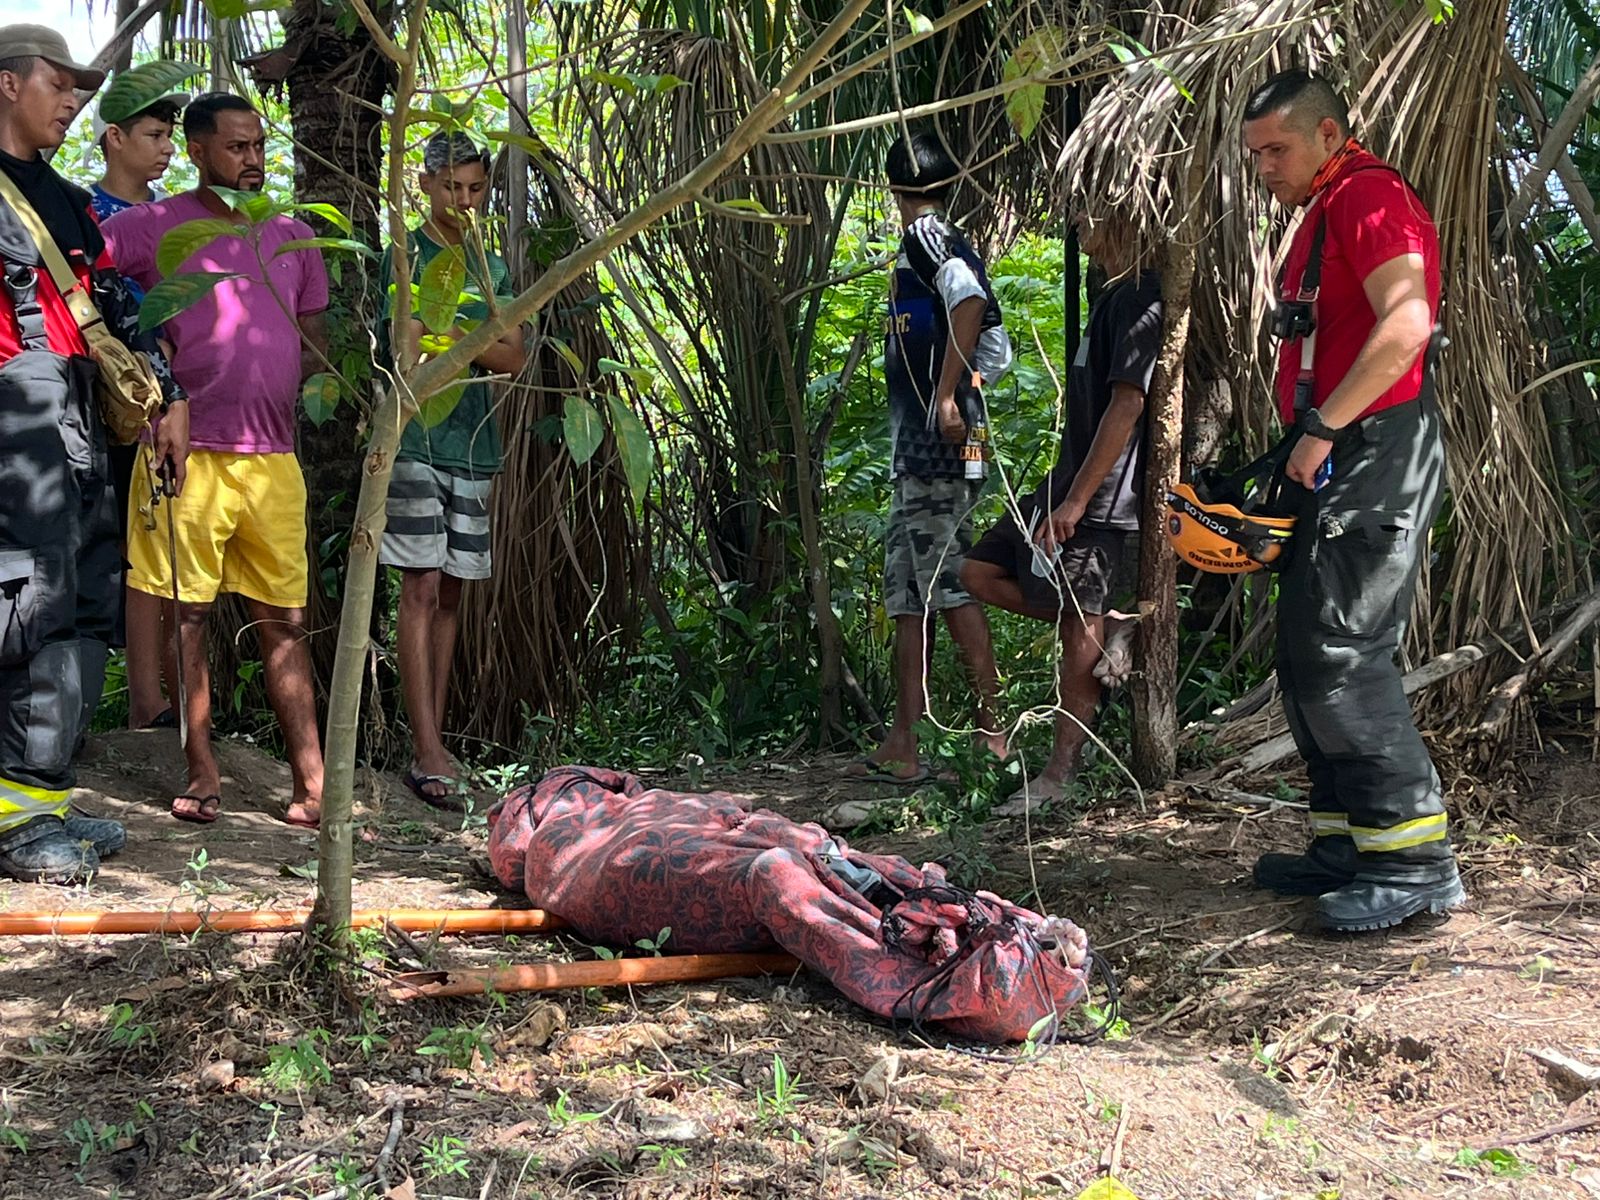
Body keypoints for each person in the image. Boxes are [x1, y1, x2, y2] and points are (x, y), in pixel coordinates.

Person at [1240, 69, 1462, 932]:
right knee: (1305, 650)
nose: (1265, 167)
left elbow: (1407, 325)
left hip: (1373, 447)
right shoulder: (1326, 208)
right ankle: (1347, 845)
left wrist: (1326, 426)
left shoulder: (1369, 197)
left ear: (1329, 134)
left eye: (1277, 149)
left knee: (1342, 649)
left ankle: (1414, 864)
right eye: (1256, 154)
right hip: (1334, 450)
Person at [103, 92, 329, 829]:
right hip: (185, 453)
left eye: (258, 144)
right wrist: (143, 358)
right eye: (235, 147)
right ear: (197, 152)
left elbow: (313, 338)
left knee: (285, 622)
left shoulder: (294, 237)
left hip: (274, 458)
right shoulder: (153, 224)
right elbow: (81, 277)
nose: (252, 159)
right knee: (187, 616)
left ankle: (312, 782)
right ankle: (201, 770)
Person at [0, 25, 189, 883]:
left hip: (77, 407)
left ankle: (40, 790)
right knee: (26, 600)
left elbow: (116, 304)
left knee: (85, 598)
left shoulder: (70, 202)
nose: (74, 99)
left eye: (81, 86)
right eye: (59, 82)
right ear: (9, 83)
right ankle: (15, 818)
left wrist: (169, 398)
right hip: (15, 414)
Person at [961, 212, 1161, 816]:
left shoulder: (1140, 297)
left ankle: (1061, 772)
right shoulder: (1111, 295)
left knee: (1078, 620)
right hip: (1067, 480)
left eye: (1087, 214)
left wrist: (1078, 500)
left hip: (1099, 494)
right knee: (976, 571)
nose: (1079, 226)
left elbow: (1128, 404)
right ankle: (1109, 626)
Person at [851, 130, 1013, 785]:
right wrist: (967, 385)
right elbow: (996, 350)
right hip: (918, 454)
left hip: (938, 454)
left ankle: (992, 734)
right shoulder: (926, 245)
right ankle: (905, 739)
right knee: (908, 596)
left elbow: (969, 300)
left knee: (947, 586)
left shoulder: (927, 235)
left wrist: (949, 397)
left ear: (894, 188)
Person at [377, 131, 525, 806]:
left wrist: (450, 338)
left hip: (474, 445)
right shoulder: (405, 255)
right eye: (451, 188)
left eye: (475, 189)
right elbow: (406, 352)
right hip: (414, 440)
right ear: (425, 186)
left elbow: (513, 357)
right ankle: (426, 747)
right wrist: (475, 338)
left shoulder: (489, 266)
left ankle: (435, 743)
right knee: (421, 585)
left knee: (454, 594)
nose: (464, 201)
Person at [91, 83, 186, 730]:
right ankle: (136, 699)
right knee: (123, 543)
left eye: (171, 136)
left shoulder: (178, 217)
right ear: (115, 138)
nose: (166, 148)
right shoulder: (83, 212)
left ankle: (176, 700)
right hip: (111, 400)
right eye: (153, 135)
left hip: (174, 399)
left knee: (169, 542)